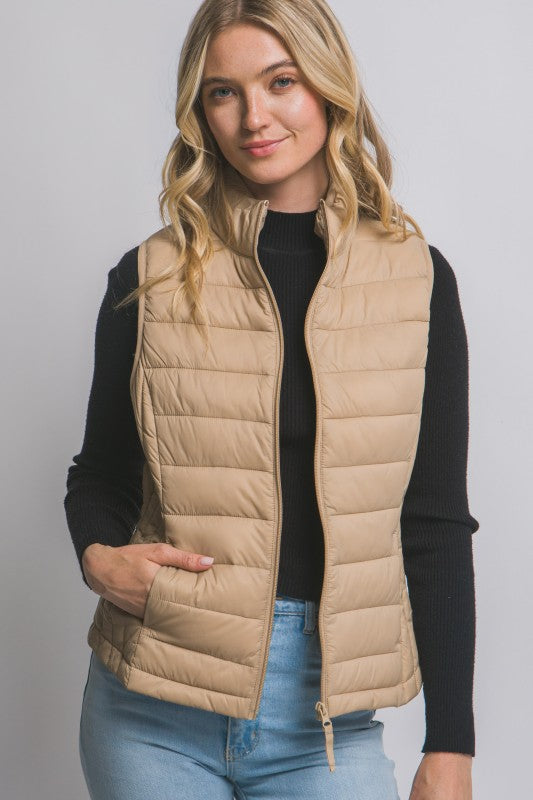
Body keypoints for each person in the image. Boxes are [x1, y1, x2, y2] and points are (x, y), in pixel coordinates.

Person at [64, 2, 479, 798]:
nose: (253, 116)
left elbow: (432, 520)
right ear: (201, 111)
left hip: (323, 720)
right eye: (224, 92)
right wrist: (98, 557)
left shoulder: (417, 281)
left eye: (280, 82)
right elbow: (101, 474)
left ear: (327, 86)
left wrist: (450, 743)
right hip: (151, 706)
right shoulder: (148, 278)